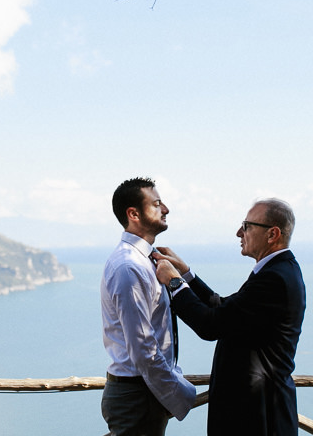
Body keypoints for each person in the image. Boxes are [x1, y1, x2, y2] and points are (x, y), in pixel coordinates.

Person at [154, 198, 306, 436]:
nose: (238, 232)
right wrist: (187, 274)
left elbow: (210, 325)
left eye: (246, 226)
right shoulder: (278, 271)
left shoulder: (274, 278)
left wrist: (174, 283)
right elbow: (224, 308)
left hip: (257, 416)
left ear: (272, 234)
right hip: (257, 412)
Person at [100, 177, 197, 436]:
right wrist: (177, 394)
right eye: (156, 204)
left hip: (144, 393)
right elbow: (143, 349)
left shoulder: (146, 261)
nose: (165, 209)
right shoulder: (129, 267)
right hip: (137, 396)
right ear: (133, 214)